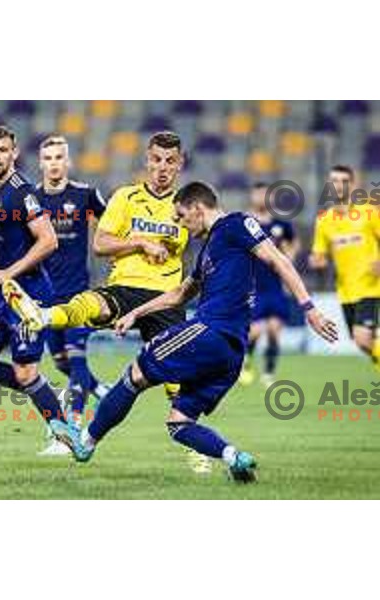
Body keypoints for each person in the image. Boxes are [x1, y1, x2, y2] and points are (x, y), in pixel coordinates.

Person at [57, 182, 337, 483]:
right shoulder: (208, 251)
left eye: (180, 215)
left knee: (135, 374)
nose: (179, 222)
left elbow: (277, 258)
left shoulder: (236, 223)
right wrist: (135, 313)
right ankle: (235, 458)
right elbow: (179, 294)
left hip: (211, 332)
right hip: (232, 353)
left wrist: (309, 308)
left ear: (197, 208)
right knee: (179, 422)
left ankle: (84, 442)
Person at [4, 132, 212, 473]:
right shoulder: (126, 198)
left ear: (180, 164)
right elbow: (101, 242)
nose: (162, 168)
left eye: (170, 161)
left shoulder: (186, 208)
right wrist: (142, 242)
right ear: (147, 160)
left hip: (165, 298)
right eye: (156, 160)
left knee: (179, 381)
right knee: (92, 304)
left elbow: (212, 239)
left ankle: (196, 447)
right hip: (125, 287)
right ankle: (41, 316)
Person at [0, 125, 68, 440]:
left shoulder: (23, 192)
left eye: (2, 150)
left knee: (25, 373)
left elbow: (49, 241)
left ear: (14, 153)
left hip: (30, 296)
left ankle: (64, 434)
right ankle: (47, 391)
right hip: (1, 295)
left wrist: (8, 272)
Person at [34, 134, 110, 455]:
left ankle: (73, 431)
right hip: (45, 298)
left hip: (78, 295)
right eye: (48, 158)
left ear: (68, 161)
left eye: (59, 157)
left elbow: (111, 228)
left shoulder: (85, 195)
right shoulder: (30, 200)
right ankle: (103, 389)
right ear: (41, 163)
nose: (54, 163)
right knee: (62, 363)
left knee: (77, 357)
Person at [309, 164, 380, 368]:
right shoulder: (324, 220)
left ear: (353, 184)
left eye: (344, 181)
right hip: (346, 291)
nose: (338, 186)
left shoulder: (368, 212)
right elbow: (319, 254)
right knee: (364, 344)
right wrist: (317, 261)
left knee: (362, 337)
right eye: (334, 181)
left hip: (371, 287)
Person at [240, 182, 300, 387]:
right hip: (253, 287)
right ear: (252, 196)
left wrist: (288, 258)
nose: (261, 198)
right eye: (258, 194)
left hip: (275, 287)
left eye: (265, 194)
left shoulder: (281, 225)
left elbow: (293, 242)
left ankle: (268, 372)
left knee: (275, 330)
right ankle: (245, 361)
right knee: (255, 331)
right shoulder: (245, 223)